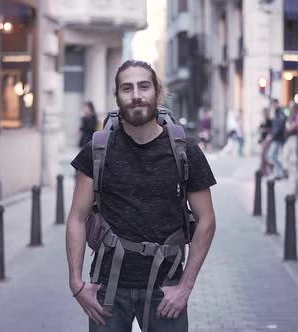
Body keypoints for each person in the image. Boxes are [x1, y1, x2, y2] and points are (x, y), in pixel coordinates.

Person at [66, 60, 217, 332]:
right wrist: (76, 283)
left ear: (157, 92)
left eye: (143, 86)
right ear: (117, 96)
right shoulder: (97, 150)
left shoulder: (186, 151)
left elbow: (206, 221)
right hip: (107, 292)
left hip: (166, 289)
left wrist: (185, 287)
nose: (136, 95)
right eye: (127, 88)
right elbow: (77, 218)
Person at [268, 99, 288, 180]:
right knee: (274, 155)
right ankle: (278, 173)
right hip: (276, 138)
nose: (273, 106)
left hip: (278, 138)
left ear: (276, 103)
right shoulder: (277, 113)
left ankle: (282, 170)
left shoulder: (280, 113)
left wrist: (272, 136)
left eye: (274, 104)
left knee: (272, 155)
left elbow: (278, 127)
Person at [258, 107, 273, 175]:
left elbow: (270, 130)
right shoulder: (263, 120)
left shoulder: (269, 121)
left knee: (263, 156)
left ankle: (268, 167)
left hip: (267, 140)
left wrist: (264, 129)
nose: (263, 114)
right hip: (263, 139)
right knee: (263, 156)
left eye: (264, 113)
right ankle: (263, 170)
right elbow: (260, 128)